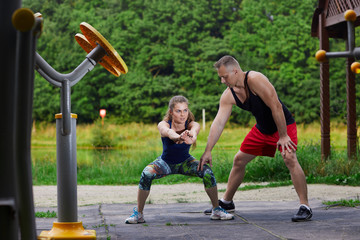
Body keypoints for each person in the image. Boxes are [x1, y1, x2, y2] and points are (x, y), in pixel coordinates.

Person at [198, 55, 312, 222]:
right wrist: (208, 150)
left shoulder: (255, 79)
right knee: (239, 160)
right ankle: (227, 202)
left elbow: (276, 106)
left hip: (283, 125)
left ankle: (305, 206)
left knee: (289, 157)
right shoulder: (229, 95)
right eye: (220, 78)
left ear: (235, 71)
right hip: (262, 129)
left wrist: (283, 136)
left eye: (225, 77)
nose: (223, 81)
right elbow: (218, 123)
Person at [125, 95, 234, 224]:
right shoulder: (164, 124)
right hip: (165, 163)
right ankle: (139, 214)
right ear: (171, 112)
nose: (183, 114)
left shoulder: (192, 124)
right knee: (147, 173)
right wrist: (178, 137)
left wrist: (191, 137)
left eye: (185, 110)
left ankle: (216, 210)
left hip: (185, 162)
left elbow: (194, 132)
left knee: (207, 172)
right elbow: (168, 133)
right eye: (178, 111)